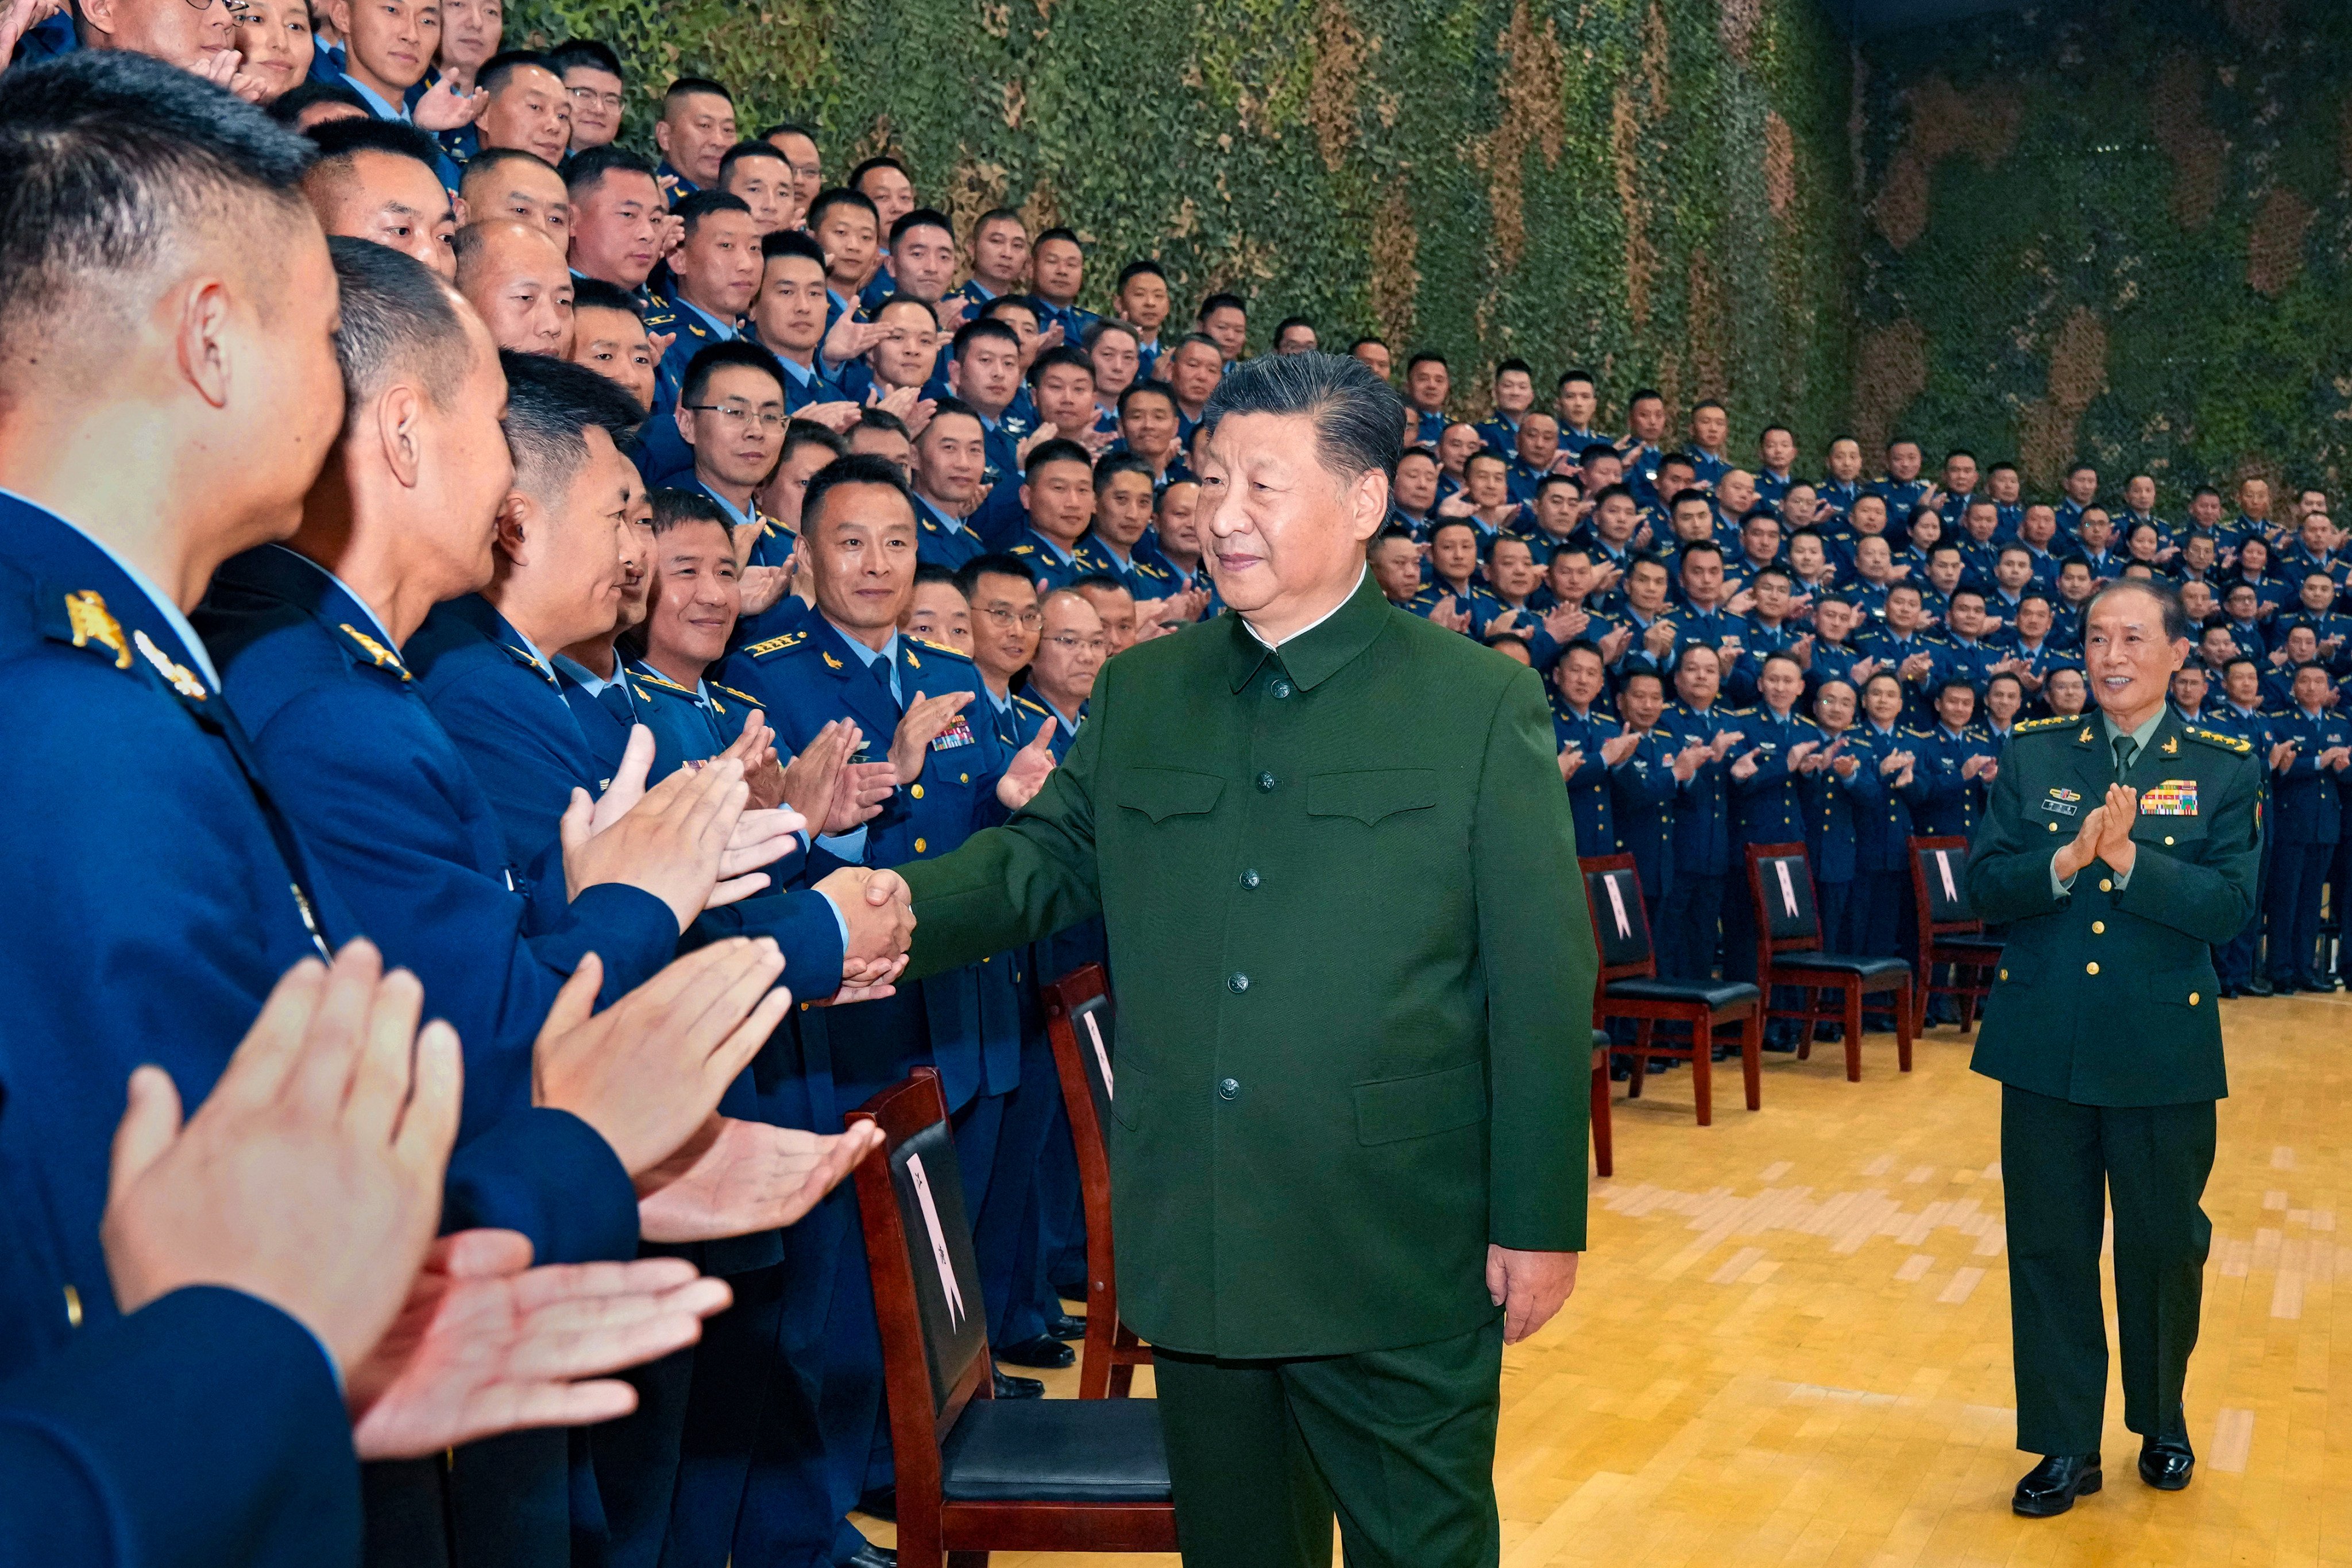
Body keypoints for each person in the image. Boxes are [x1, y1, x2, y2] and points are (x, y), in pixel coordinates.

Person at [895, 353, 1593, 1567]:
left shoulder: (1473, 702)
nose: (1220, 515)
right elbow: (1041, 863)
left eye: (1261, 486)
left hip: (1397, 1247)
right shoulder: (1146, 689)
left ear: (1365, 500)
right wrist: (881, 912)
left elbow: (1539, 978)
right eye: (1209, 479)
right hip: (1204, 1235)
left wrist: (1538, 1218)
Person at [1965, 579, 2261, 1517]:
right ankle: (2064, 1441)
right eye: (2097, 637)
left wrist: (2131, 860)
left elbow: (2228, 907)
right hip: (2043, 1045)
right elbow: (1984, 884)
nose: (2111, 655)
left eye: (2134, 637)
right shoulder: (2035, 753)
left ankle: (2161, 1416)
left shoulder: (2222, 767)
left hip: (2160, 1050)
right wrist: (2064, 860)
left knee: (2165, 1243)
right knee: (2048, 1247)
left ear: (2179, 654)